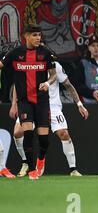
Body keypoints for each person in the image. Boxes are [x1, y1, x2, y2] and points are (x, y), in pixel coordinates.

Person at [10, 60, 89, 177]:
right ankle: (25, 162)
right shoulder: (28, 63)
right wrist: (14, 104)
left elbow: (68, 84)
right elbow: (18, 84)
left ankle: (73, 169)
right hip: (30, 104)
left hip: (52, 106)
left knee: (64, 134)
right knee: (17, 133)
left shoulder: (54, 65)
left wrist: (79, 104)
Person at [0, 24, 57, 180]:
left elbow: (53, 75)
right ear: (26, 36)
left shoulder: (45, 53)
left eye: (39, 35)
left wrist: (48, 83)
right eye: (34, 35)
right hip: (25, 101)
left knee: (44, 139)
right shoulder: (15, 53)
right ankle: (32, 170)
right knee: (28, 133)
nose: (38, 38)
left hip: (42, 101)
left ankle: (41, 159)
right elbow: (1, 65)